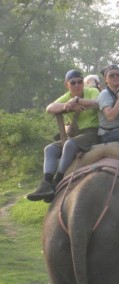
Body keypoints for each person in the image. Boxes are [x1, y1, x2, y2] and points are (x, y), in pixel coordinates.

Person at [27, 70, 101, 202]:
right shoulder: (66, 96)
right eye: (73, 83)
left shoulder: (91, 91)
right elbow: (50, 108)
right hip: (76, 134)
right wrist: (70, 107)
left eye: (80, 82)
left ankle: (58, 180)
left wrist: (77, 100)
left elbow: (97, 102)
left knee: (69, 144)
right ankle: (46, 183)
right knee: (49, 149)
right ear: (67, 85)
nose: (77, 85)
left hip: (92, 132)